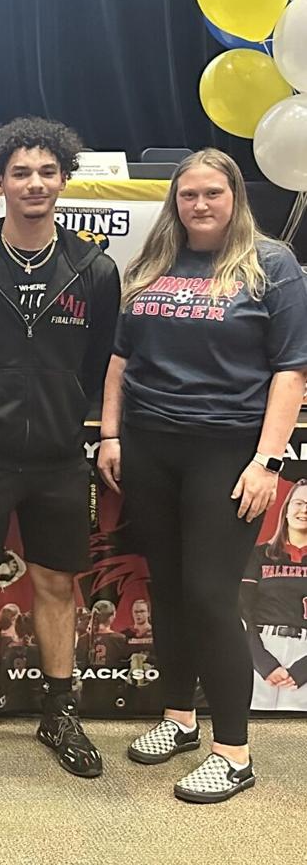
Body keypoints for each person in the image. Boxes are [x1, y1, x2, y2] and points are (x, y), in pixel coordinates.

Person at [97, 148, 307, 803]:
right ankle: (178, 718)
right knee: (167, 589)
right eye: (187, 195)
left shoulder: (271, 266)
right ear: (174, 202)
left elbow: (291, 370)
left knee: (212, 597)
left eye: (211, 193)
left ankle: (233, 752)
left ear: (234, 197)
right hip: (150, 448)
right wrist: (110, 434)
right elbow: (118, 359)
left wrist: (267, 461)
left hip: (227, 453)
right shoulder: (153, 264)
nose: (199, 205)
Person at [0, 116, 120, 777]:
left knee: (56, 583)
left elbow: (92, 369)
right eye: (19, 172)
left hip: (59, 460)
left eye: (45, 171)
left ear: (62, 179)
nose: (33, 183)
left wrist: (62, 411)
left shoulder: (94, 270)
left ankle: (58, 713)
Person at [242, 479, 307, 713]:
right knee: (253, 727)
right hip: (262, 646)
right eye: (299, 502)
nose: (304, 510)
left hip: (305, 653)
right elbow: (241, 611)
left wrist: (303, 669)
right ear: (287, 509)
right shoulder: (259, 555)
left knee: (295, 736)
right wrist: (262, 662)